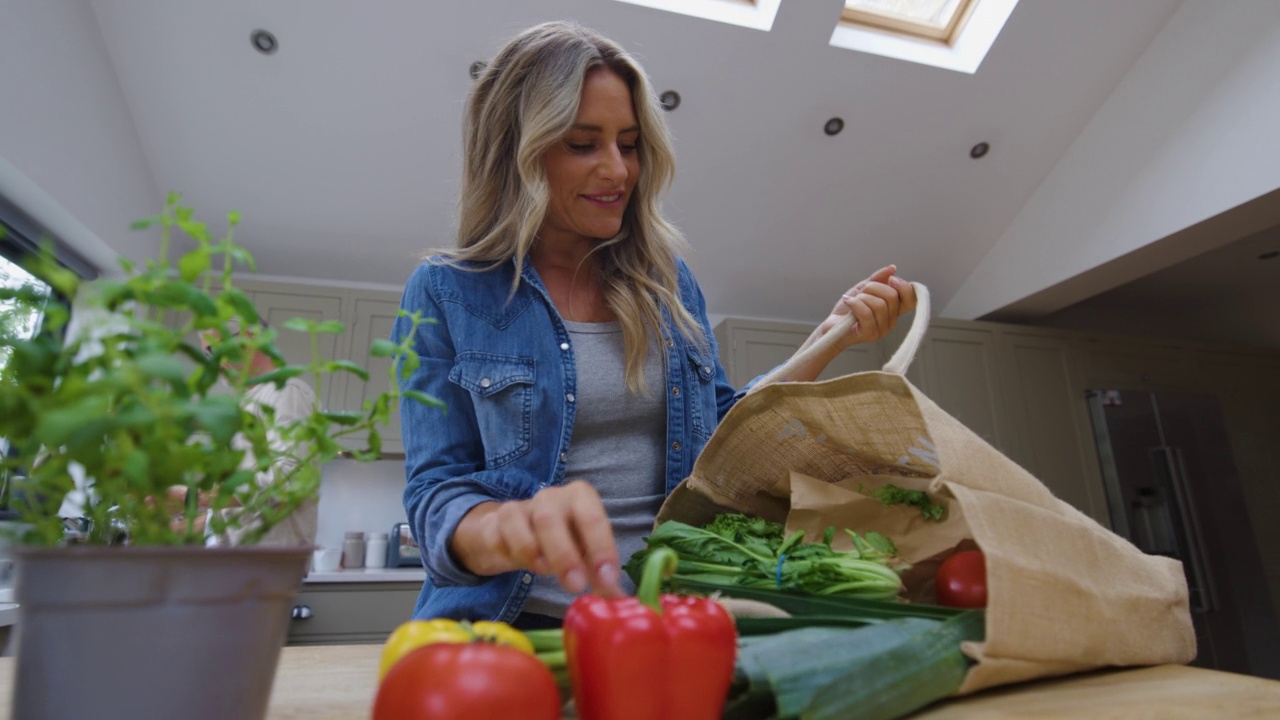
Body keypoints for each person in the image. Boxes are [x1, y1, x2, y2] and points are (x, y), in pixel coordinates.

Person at [392, 21, 917, 627]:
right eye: (583, 144)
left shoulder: (667, 283)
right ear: (518, 150)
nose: (617, 170)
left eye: (630, 143)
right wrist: (508, 527)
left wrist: (834, 335)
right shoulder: (445, 291)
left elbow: (727, 439)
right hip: (512, 627)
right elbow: (434, 497)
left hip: (668, 621)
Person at [178, 319, 320, 548]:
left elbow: (289, 478)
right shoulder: (245, 403)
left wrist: (193, 498)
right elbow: (244, 508)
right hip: (242, 561)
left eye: (215, 349)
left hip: (269, 562)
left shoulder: (285, 391)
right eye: (207, 355)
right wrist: (190, 525)